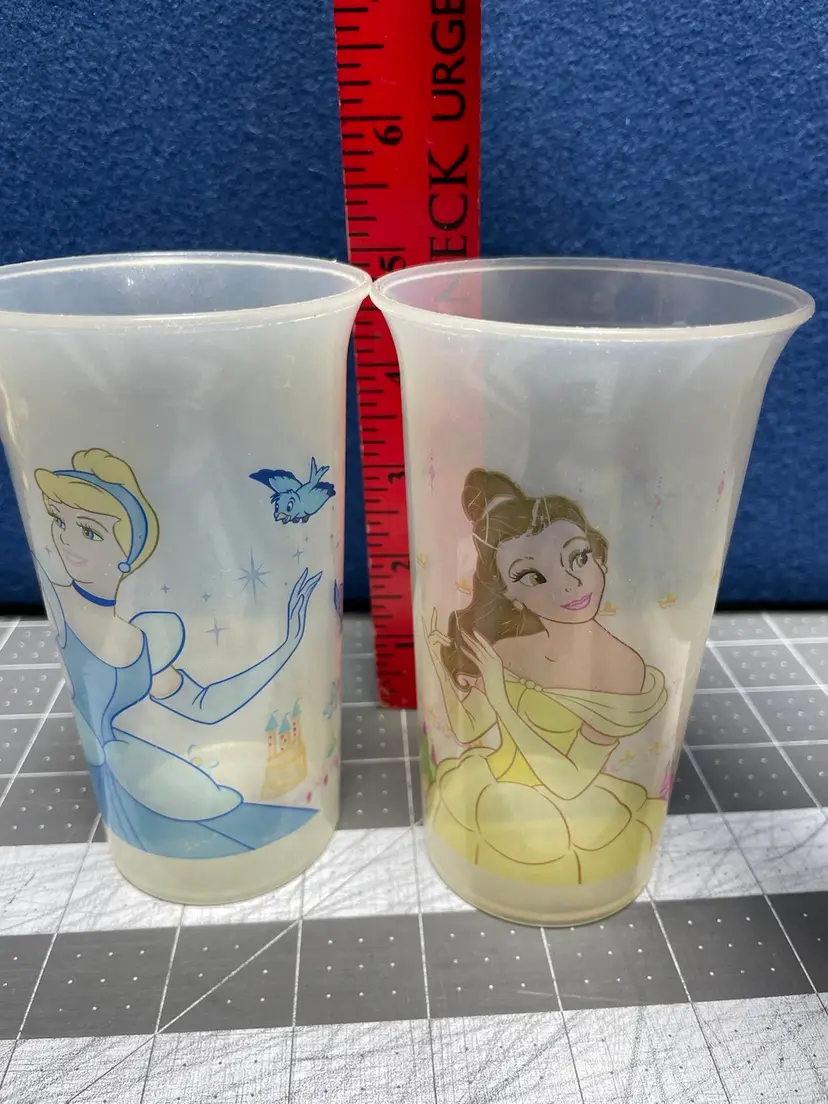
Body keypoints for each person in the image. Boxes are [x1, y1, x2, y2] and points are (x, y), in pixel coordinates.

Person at [34, 448, 321, 859]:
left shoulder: (144, 641)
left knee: (217, 809)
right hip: (120, 784)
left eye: (90, 531)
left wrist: (288, 644)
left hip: (139, 776)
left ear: (128, 556)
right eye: (59, 520)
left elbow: (205, 706)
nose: (65, 538)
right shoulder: (59, 603)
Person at [424, 468, 668, 886]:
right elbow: (470, 728)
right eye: (533, 576)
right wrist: (439, 664)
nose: (570, 584)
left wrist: (502, 698)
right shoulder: (509, 650)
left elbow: (570, 784)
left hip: (568, 809)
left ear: (599, 556)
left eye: (578, 557)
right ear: (508, 593)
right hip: (491, 788)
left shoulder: (623, 666)